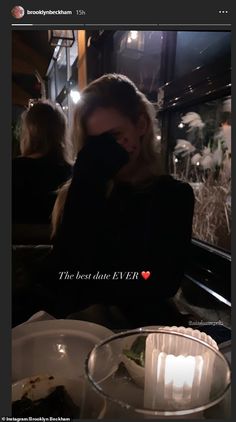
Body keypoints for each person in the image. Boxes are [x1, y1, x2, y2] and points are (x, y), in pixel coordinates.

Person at [42, 74, 195, 322]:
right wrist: (86, 186)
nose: (103, 151)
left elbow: (160, 283)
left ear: (141, 125)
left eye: (114, 136)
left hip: (140, 330)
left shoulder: (173, 195)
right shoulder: (78, 192)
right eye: (95, 142)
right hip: (81, 329)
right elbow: (64, 278)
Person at [12, 100, 72, 224]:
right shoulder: (71, 173)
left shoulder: (14, 169)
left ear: (28, 132)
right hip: (60, 241)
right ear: (61, 132)